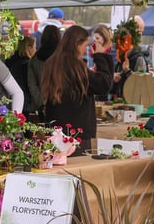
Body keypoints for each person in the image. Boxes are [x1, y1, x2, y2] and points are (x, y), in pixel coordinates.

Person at [41, 25, 114, 155]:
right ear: (76, 44)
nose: (85, 50)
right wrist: (100, 57)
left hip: (56, 129)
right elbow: (103, 85)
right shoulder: (75, 67)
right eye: (85, 45)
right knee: (77, 170)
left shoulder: (51, 63)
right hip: (77, 132)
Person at [27, 24, 60, 117]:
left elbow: (31, 84)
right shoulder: (64, 58)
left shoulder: (34, 59)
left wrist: (41, 102)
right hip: (62, 103)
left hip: (43, 104)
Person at [4, 35, 37, 115]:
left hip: (9, 100)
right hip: (24, 103)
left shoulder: (9, 61)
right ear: (29, 48)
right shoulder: (27, 64)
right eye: (34, 48)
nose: (35, 50)